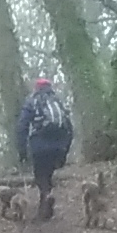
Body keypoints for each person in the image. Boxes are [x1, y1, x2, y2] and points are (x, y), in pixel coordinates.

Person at [16, 75, 74, 220]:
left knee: (40, 176)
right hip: (59, 146)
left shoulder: (32, 102)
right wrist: (65, 150)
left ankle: (46, 198)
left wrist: (22, 151)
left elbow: (22, 126)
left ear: (37, 88)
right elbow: (70, 128)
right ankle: (46, 207)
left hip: (39, 146)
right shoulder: (57, 102)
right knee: (47, 175)